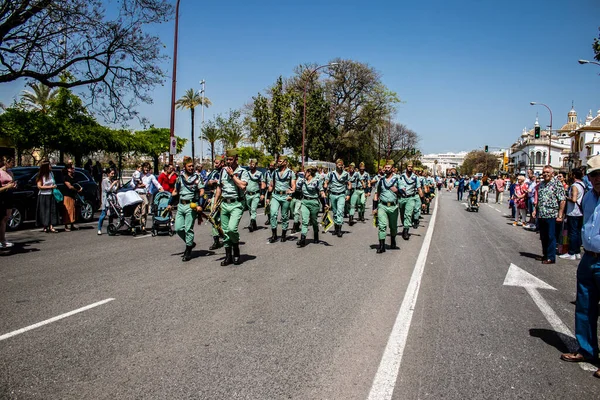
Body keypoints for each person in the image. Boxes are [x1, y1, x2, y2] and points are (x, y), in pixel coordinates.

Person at [560, 155, 600, 379]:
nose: (597, 178)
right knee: (584, 306)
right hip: (588, 258)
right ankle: (587, 350)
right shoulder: (588, 198)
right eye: (594, 174)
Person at [213, 149, 248, 265]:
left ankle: (236, 248)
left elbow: (243, 186)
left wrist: (232, 175)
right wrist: (215, 203)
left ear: (236, 159)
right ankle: (228, 256)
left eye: (231, 159)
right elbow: (219, 187)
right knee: (225, 231)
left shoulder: (242, 171)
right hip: (224, 203)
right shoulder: (223, 171)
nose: (228, 161)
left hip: (237, 204)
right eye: (227, 159)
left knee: (232, 229)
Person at [168, 157, 204, 262]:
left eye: (193, 166)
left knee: (188, 229)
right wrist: (169, 203)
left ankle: (188, 250)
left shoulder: (197, 178)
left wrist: (200, 205)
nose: (192, 168)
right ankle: (190, 243)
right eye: (189, 166)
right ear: (185, 167)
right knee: (179, 228)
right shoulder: (180, 178)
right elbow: (175, 191)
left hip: (191, 205)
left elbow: (201, 191)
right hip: (181, 205)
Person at [532, 165, 566, 264]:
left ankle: (551, 257)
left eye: (547, 172)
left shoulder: (557, 184)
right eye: (544, 172)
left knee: (551, 236)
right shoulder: (541, 184)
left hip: (552, 214)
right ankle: (545, 255)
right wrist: (535, 210)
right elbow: (539, 199)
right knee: (543, 236)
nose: (545, 174)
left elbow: (562, 200)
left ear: (552, 173)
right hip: (542, 214)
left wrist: (560, 215)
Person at [374, 160, 402, 253]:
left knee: (393, 227)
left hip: (393, 206)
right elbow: (377, 194)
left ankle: (393, 239)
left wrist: (397, 191)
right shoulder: (381, 181)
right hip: (382, 205)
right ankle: (381, 246)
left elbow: (404, 193)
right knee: (382, 226)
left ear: (393, 169)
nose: (386, 169)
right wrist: (374, 208)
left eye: (388, 167)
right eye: (385, 167)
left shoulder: (397, 179)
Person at [267, 156, 296, 243]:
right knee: (273, 213)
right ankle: (274, 235)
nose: (278, 163)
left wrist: (292, 193)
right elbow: (271, 185)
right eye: (278, 161)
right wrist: (268, 197)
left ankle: (283, 234)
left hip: (285, 196)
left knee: (284, 216)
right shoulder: (275, 172)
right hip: (275, 195)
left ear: (285, 162)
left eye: (280, 161)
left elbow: (293, 185)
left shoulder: (291, 173)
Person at [296, 166, 325, 247]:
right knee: (305, 221)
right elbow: (297, 188)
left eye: (305, 171)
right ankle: (302, 239)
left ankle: (316, 234)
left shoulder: (316, 180)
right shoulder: (302, 180)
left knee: (314, 221)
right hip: (304, 201)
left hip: (314, 202)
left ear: (309, 172)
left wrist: (325, 203)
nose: (304, 173)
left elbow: (321, 191)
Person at [560, 168, 585, 260]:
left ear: (574, 175)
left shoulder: (574, 185)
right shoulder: (582, 184)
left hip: (573, 212)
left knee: (572, 233)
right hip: (580, 212)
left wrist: (566, 197)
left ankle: (571, 252)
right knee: (577, 232)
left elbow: (574, 199)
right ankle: (577, 251)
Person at [324, 159, 351, 238]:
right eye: (339, 164)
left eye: (341, 165)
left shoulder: (346, 174)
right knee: (335, 212)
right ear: (336, 165)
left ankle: (339, 229)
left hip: (341, 195)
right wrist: (325, 185)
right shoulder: (331, 174)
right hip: (332, 194)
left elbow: (349, 184)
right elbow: (326, 182)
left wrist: (348, 194)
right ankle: (336, 228)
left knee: (340, 211)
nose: (340, 166)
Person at [135, 162, 164, 231]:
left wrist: (161, 189)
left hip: (144, 194)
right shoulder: (139, 174)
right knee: (136, 211)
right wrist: (137, 185)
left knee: (145, 210)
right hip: (137, 194)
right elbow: (133, 182)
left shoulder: (151, 176)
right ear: (143, 168)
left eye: (148, 168)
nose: (146, 169)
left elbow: (156, 183)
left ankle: (143, 225)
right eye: (145, 167)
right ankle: (136, 224)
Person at [398, 162, 421, 240]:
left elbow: (419, 188)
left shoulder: (415, 177)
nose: (410, 168)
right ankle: (405, 224)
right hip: (402, 198)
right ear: (406, 167)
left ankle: (406, 230)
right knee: (402, 214)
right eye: (408, 166)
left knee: (408, 214)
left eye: (411, 167)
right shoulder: (401, 176)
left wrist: (422, 199)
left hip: (410, 197)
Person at [205, 156, 224, 250]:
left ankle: (226, 237)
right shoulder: (213, 172)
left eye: (217, 163)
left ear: (222, 163)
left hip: (224, 197)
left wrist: (218, 182)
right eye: (215, 163)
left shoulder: (226, 171)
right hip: (214, 197)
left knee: (223, 219)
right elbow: (206, 183)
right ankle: (216, 241)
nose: (215, 165)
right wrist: (211, 182)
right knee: (213, 218)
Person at [36, 160, 59, 233]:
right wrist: (50, 187)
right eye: (49, 165)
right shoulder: (41, 175)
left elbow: (53, 182)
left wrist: (54, 187)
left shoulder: (51, 173)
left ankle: (51, 226)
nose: (51, 166)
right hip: (43, 195)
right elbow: (39, 186)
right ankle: (45, 226)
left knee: (52, 211)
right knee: (44, 211)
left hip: (51, 194)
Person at [97, 167, 120, 235]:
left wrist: (117, 184)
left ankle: (110, 228)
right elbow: (107, 190)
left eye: (113, 173)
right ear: (108, 174)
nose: (113, 175)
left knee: (111, 215)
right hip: (106, 200)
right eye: (111, 173)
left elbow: (114, 190)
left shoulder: (111, 181)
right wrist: (113, 184)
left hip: (111, 200)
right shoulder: (104, 181)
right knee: (103, 215)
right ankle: (99, 229)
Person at [245, 158, 265, 232]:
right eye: (250, 164)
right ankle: (254, 223)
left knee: (253, 209)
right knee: (250, 210)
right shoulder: (247, 173)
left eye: (253, 164)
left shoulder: (259, 173)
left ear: (256, 165)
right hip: (248, 194)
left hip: (255, 194)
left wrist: (262, 194)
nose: (251, 165)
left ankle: (251, 224)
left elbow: (262, 183)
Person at [0, 157, 16, 248]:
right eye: (12, 162)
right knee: (2, 219)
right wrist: (7, 186)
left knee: (6, 218)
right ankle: (1, 240)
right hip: (3, 195)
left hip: (9, 194)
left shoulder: (10, 172)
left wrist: (13, 185)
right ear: (6, 162)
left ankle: (3, 239)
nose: (13, 164)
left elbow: (12, 182)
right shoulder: (0, 172)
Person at [62, 164, 82, 231]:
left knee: (73, 210)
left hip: (73, 196)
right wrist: (77, 189)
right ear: (68, 169)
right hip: (67, 195)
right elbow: (69, 186)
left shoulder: (73, 177)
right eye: (72, 168)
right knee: (67, 210)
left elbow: (76, 184)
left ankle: (72, 224)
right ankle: (66, 226)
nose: (73, 169)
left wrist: (79, 189)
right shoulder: (66, 177)